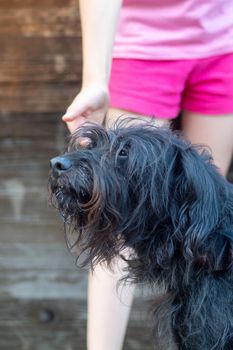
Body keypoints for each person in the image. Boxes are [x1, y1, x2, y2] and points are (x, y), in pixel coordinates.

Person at [62, 1, 233, 349]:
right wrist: (96, 78)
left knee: (206, 228)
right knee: (117, 216)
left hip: (223, 44)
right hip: (146, 48)